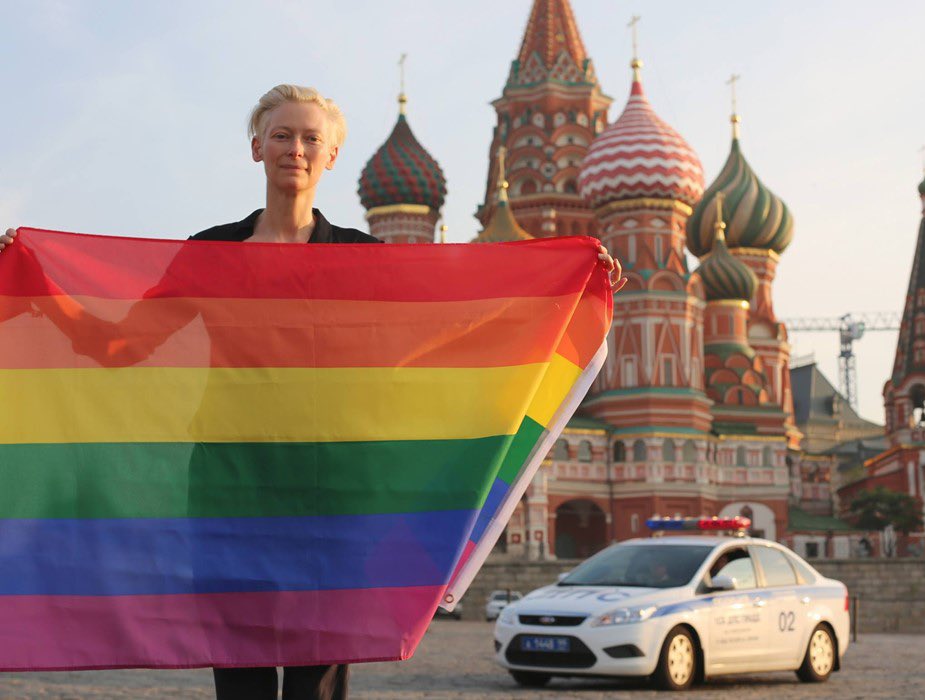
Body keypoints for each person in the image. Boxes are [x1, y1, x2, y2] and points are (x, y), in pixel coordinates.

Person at [1, 84, 624, 699]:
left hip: (330, 484)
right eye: (281, 135)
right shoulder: (210, 253)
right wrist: (35, 283)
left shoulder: (362, 259)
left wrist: (572, 280)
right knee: (237, 658)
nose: (294, 148)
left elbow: (453, 326)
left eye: (310, 138)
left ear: (329, 157)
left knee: (317, 673)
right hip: (226, 482)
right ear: (256, 149)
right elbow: (121, 347)